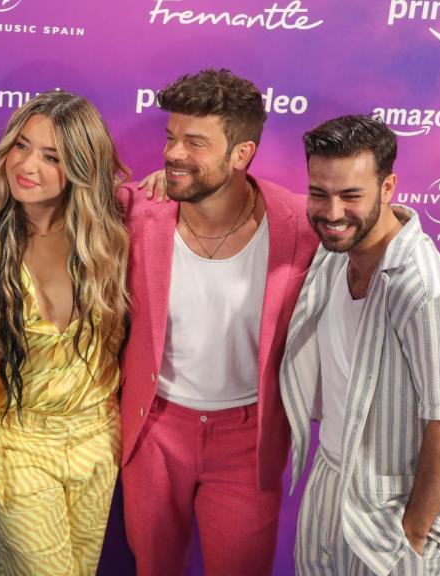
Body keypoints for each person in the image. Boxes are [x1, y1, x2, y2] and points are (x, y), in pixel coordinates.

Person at [118, 69, 319, 576]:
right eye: (171, 137)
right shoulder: (138, 212)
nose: (173, 153)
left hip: (248, 441)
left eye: (195, 142)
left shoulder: (299, 225)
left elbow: (375, 236)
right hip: (154, 428)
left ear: (241, 154)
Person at [281, 115, 440, 575]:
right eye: (319, 192)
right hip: (330, 480)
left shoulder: (424, 288)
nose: (332, 212)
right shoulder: (334, 253)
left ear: (388, 187)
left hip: (398, 511)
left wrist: (415, 528)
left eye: (351, 195)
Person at [0, 90, 130, 576]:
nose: (26, 165)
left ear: (79, 166)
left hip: (97, 436)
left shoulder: (111, 232)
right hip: (15, 439)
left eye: (51, 156)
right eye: (21, 146)